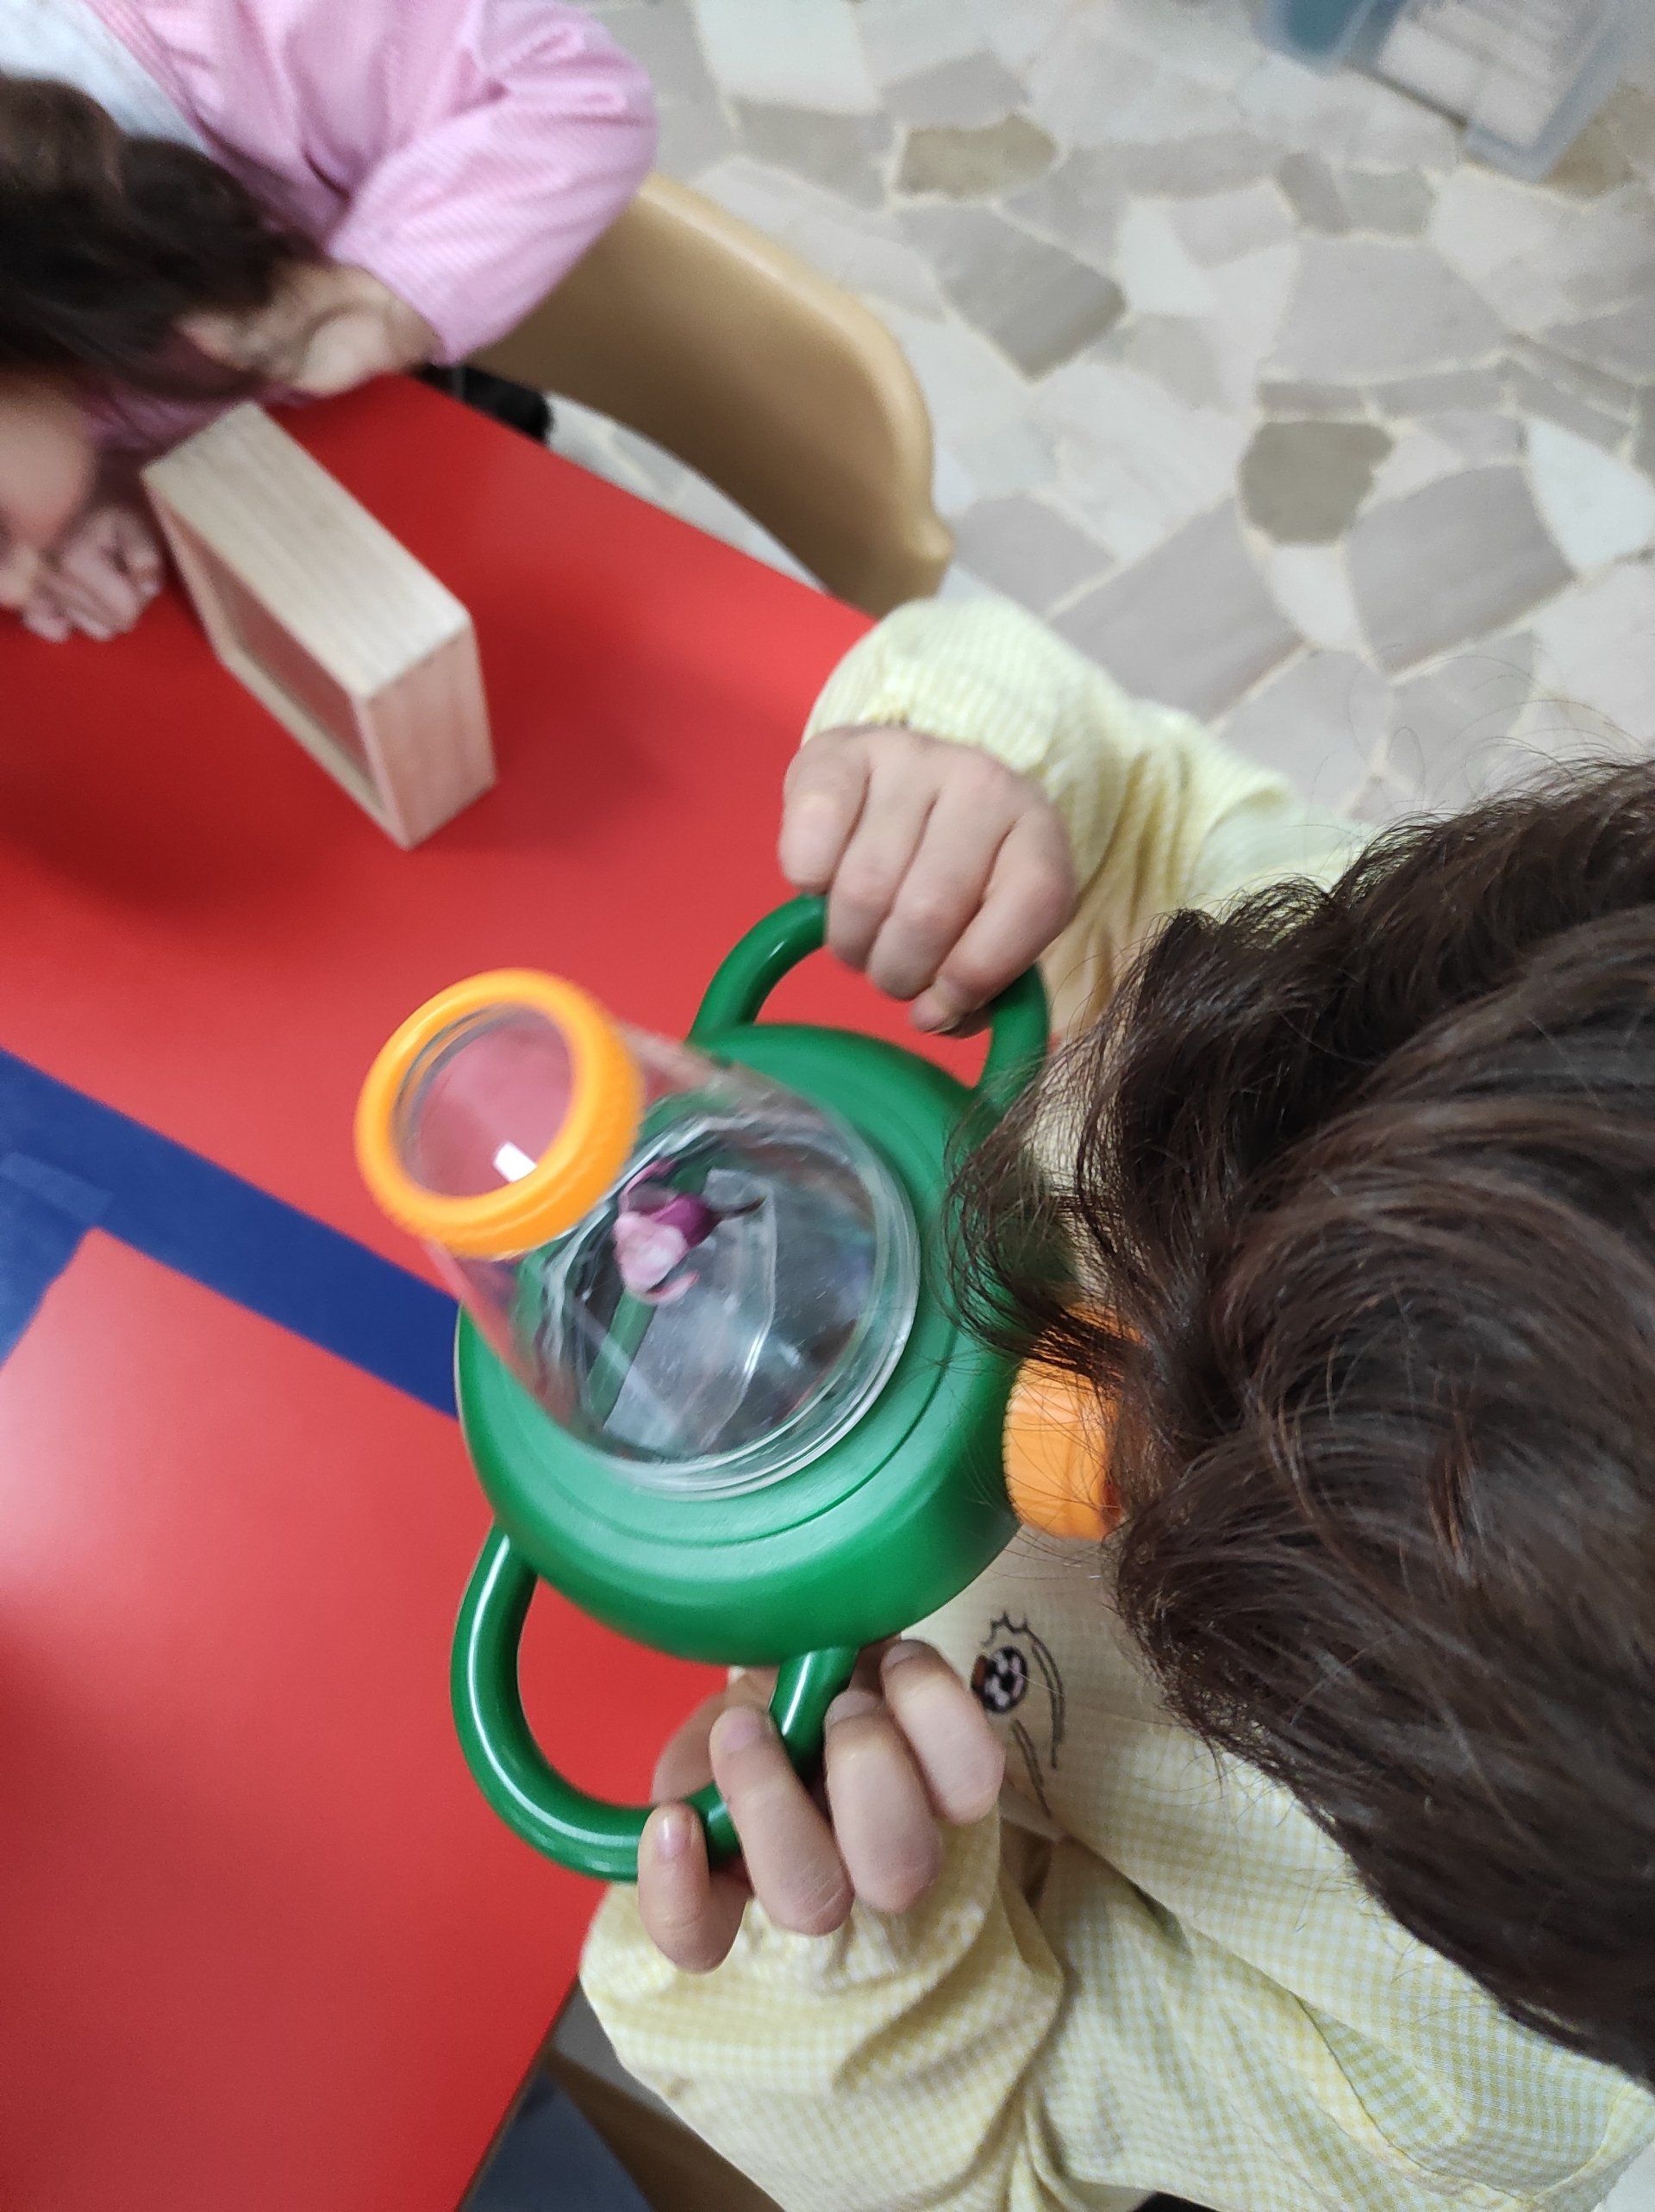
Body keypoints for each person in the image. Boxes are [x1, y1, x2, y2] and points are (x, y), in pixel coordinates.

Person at [581, 597, 1655, 2211]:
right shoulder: (1413, 1022)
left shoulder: (1473, 2093)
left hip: (849, 1757)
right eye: (1165, 1202)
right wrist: (973, 773)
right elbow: (1152, 806)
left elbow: (1003, 2166)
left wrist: (855, 1942)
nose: (1056, 1379)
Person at [0, 0, 655, 640]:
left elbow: (573, 94)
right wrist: (98, 486)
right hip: (309, 460)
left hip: (430, 369)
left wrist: (381, 292)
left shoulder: (235, 31)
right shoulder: (37, 384)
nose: (16, 597)